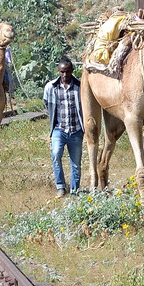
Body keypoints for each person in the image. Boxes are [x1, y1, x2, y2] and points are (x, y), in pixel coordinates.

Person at [43, 57, 84, 197]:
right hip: (59, 129)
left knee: (76, 163)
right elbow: (46, 104)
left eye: (67, 72)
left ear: (72, 70)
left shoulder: (80, 86)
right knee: (55, 154)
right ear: (58, 71)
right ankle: (60, 186)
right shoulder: (51, 87)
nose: (65, 75)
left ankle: (74, 190)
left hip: (76, 130)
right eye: (62, 72)